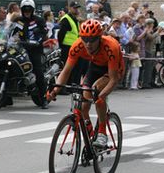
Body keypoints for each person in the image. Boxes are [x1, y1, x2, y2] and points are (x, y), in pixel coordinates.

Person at [47, 19, 125, 148]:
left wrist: (101, 96)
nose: (88, 44)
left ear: (99, 38)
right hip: (95, 66)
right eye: (85, 39)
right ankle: (88, 129)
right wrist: (55, 90)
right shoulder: (78, 45)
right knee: (84, 104)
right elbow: (66, 71)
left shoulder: (110, 46)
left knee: (98, 92)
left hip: (113, 70)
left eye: (92, 40)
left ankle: (102, 133)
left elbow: (113, 79)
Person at [9, 0, 49, 108]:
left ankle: (44, 98)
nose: (27, 11)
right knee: (10, 66)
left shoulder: (39, 20)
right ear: (21, 10)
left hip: (35, 49)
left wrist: (38, 41)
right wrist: (3, 39)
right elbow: (10, 32)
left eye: (29, 9)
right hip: (21, 48)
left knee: (38, 72)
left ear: (32, 10)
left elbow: (44, 33)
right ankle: (6, 97)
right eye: (25, 9)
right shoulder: (18, 20)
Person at [58, 1, 82, 86]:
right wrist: (61, 46)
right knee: (66, 68)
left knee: (75, 68)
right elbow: (60, 34)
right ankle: (64, 86)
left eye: (77, 8)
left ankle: (72, 84)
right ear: (70, 8)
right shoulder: (66, 19)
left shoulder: (74, 19)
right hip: (66, 47)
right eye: (74, 8)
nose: (76, 10)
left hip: (74, 47)